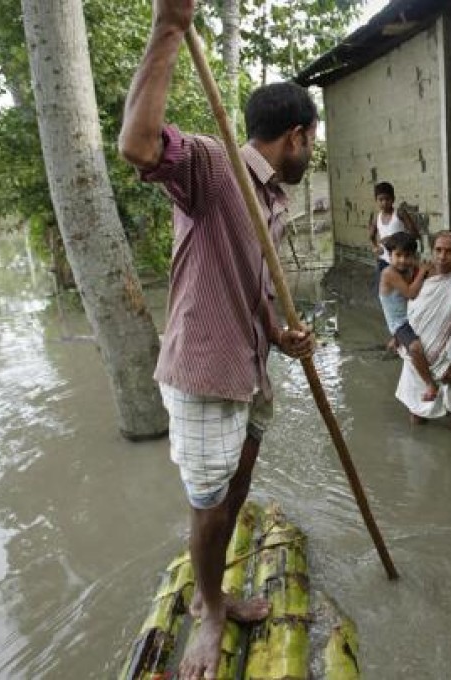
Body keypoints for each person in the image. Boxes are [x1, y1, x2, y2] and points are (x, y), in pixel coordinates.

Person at [118, 3, 316, 678]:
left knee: (238, 485)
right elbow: (137, 148)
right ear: (295, 135)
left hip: (253, 366)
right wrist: (167, 29)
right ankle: (208, 607)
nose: (310, 155)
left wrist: (281, 335)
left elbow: (254, 282)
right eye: (310, 143)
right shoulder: (211, 163)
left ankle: (218, 592)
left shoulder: (275, 202)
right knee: (207, 505)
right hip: (205, 372)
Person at [394, 231, 451, 431]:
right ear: (432, 251)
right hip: (416, 355)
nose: (443, 256)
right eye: (438, 250)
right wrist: (397, 337)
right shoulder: (419, 275)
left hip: (448, 358)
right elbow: (405, 313)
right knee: (417, 414)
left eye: (450, 251)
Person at [378, 231, 438, 401]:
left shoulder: (409, 267)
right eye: (398, 255)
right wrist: (422, 272)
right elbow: (411, 293)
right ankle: (430, 384)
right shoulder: (389, 273)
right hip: (400, 322)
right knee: (416, 348)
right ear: (389, 255)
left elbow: (432, 274)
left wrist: (426, 269)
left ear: (413, 255)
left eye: (407, 255)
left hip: (412, 315)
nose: (403, 260)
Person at [368, 181, 419, 291]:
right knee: (385, 292)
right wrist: (375, 247)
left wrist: (393, 239)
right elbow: (371, 235)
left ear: (393, 199)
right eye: (381, 200)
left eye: (387, 199)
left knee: (404, 291)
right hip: (384, 260)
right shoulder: (377, 217)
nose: (384, 202)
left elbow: (415, 234)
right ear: (376, 200)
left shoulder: (399, 213)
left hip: (401, 261)